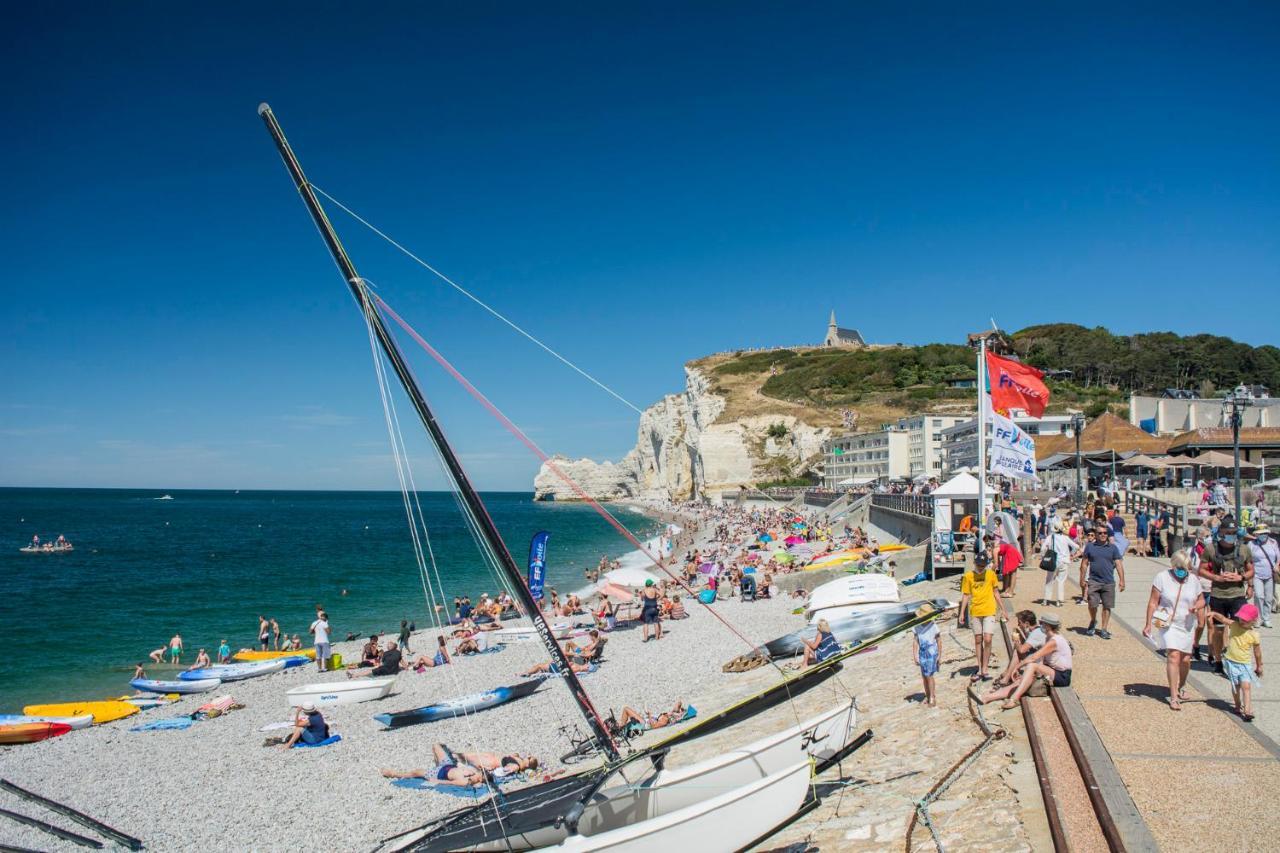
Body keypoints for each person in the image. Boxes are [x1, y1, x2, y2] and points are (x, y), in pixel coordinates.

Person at [1142, 549, 1205, 710]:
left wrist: (1196, 608)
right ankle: (1174, 695)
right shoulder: (1162, 577)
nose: (1184, 571)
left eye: (1187, 568)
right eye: (1181, 567)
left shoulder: (1193, 580)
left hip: (1186, 623)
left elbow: (1201, 600)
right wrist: (1148, 623)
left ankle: (1181, 685)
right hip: (1169, 623)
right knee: (1174, 656)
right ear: (1174, 565)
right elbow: (1153, 602)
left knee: (1185, 659)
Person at [977, 613, 1072, 709]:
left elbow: (1033, 657)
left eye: (1041, 623)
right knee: (1019, 682)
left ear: (1047, 626)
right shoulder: (1048, 638)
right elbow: (1042, 659)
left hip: (1062, 675)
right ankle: (987, 697)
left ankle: (1014, 699)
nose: (1040, 626)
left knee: (1032, 666)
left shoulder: (1054, 641)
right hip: (1051, 671)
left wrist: (1017, 667)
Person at [1199, 521, 1253, 673]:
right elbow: (1201, 570)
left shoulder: (1244, 549)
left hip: (1237, 595)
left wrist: (1243, 580)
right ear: (1221, 532)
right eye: (1228, 532)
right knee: (1218, 630)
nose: (1231, 535)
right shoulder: (1210, 549)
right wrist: (1217, 578)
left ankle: (1237, 660)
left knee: (1240, 628)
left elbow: (1250, 570)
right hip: (1218, 595)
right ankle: (1218, 661)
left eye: (1234, 532)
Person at [1208, 602, 1263, 721]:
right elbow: (1223, 619)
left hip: (1245, 664)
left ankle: (1247, 709)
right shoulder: (1234, 624)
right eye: (1241, 618)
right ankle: (1238, 704)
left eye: (1245, 619)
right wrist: (1214, 613)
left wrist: (1259, 666)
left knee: (1246, 686)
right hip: (1231, 662)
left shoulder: (1254, 635)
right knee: (1236, 686)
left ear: (1253, 620)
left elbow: (1257, 653)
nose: (1242, 621)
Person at [959, 553, 1001, 681]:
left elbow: (996, 592)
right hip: (976, 611)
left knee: (987, 639)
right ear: (975, 563)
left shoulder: (991, 574)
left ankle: (985, 668)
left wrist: (1003, 609)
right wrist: (961, 613)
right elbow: (966, 595)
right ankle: (980, 666)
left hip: (989, 609)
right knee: (978, 639)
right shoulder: (968, 576)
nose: (981, 567)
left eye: (983, 565)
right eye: (979, 565)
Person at [1079, 526, 1125, 639]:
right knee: (1092, 604)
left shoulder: (1113, 548)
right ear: (1096, 534)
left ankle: (1104, 629)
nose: (1103, 535)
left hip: (1108, 582)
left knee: (1107, 606)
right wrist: (1082, 578)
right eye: (1100, 533)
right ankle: (1093, 620)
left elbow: (1118, 564)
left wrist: (1122, 580)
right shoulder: (1090, 547)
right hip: (1094, 580)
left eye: (1105, 533)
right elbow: (1084, 563)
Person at [993, 610, 1046, 688]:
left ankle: (1006, 679)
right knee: (1018, 649)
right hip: (1043, 658)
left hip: (1044, 663)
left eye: (1020, 622)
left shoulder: (1035, 634)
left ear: (1027, 624)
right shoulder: (1036, 630)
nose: (1018, 624)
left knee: (1018, 652)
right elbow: (1028, 644)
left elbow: (1022, 650)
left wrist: (1016, 640)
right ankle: (1007, 673)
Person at [1039, 520, 1080, 607]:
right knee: (1061, 581)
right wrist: (1072, 554)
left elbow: (1043, 548)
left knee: (1049, 580)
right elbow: (1076, 546)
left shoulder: (1050, 537)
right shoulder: (1065, 538)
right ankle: (1059, 601)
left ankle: (1046, 599)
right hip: (1064, 561)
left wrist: (1043, 556)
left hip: (1053, 561)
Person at [1248, 524, 1278, 628]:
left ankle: (1267, 618)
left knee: (1269, 598)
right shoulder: (1251, 544)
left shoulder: (1273, 543)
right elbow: (1248, 560)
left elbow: (1278, 558)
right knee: (1259, 596)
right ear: (1256, 534)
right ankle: (1258, 618)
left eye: (1265, 533)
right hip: (1256, 574)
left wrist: (1276, 566)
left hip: (1270, 574)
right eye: (1261, 534)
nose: (1263, 535)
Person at [912, 605, 941, 706]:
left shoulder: (933, 626)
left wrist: (939, 655)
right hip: (922, 653)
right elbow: (915, 641)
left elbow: (938, 640)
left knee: (929, 675)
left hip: (932, 653)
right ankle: (928, 695)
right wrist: (915, 655)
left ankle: (932, 696)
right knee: (924, 676)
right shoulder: (917, 627)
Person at [617, 701, 688, 733]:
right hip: (645, 720)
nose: (673, 709)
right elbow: (679, 703)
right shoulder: (667, 715)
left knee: (626, 709)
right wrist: (678, 710)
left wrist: (649, 714)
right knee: (626, 711)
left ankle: (620, 727)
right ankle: (620, 726)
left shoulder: (665, 720)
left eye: (680, 710)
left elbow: (654, 726)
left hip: (644, 724)